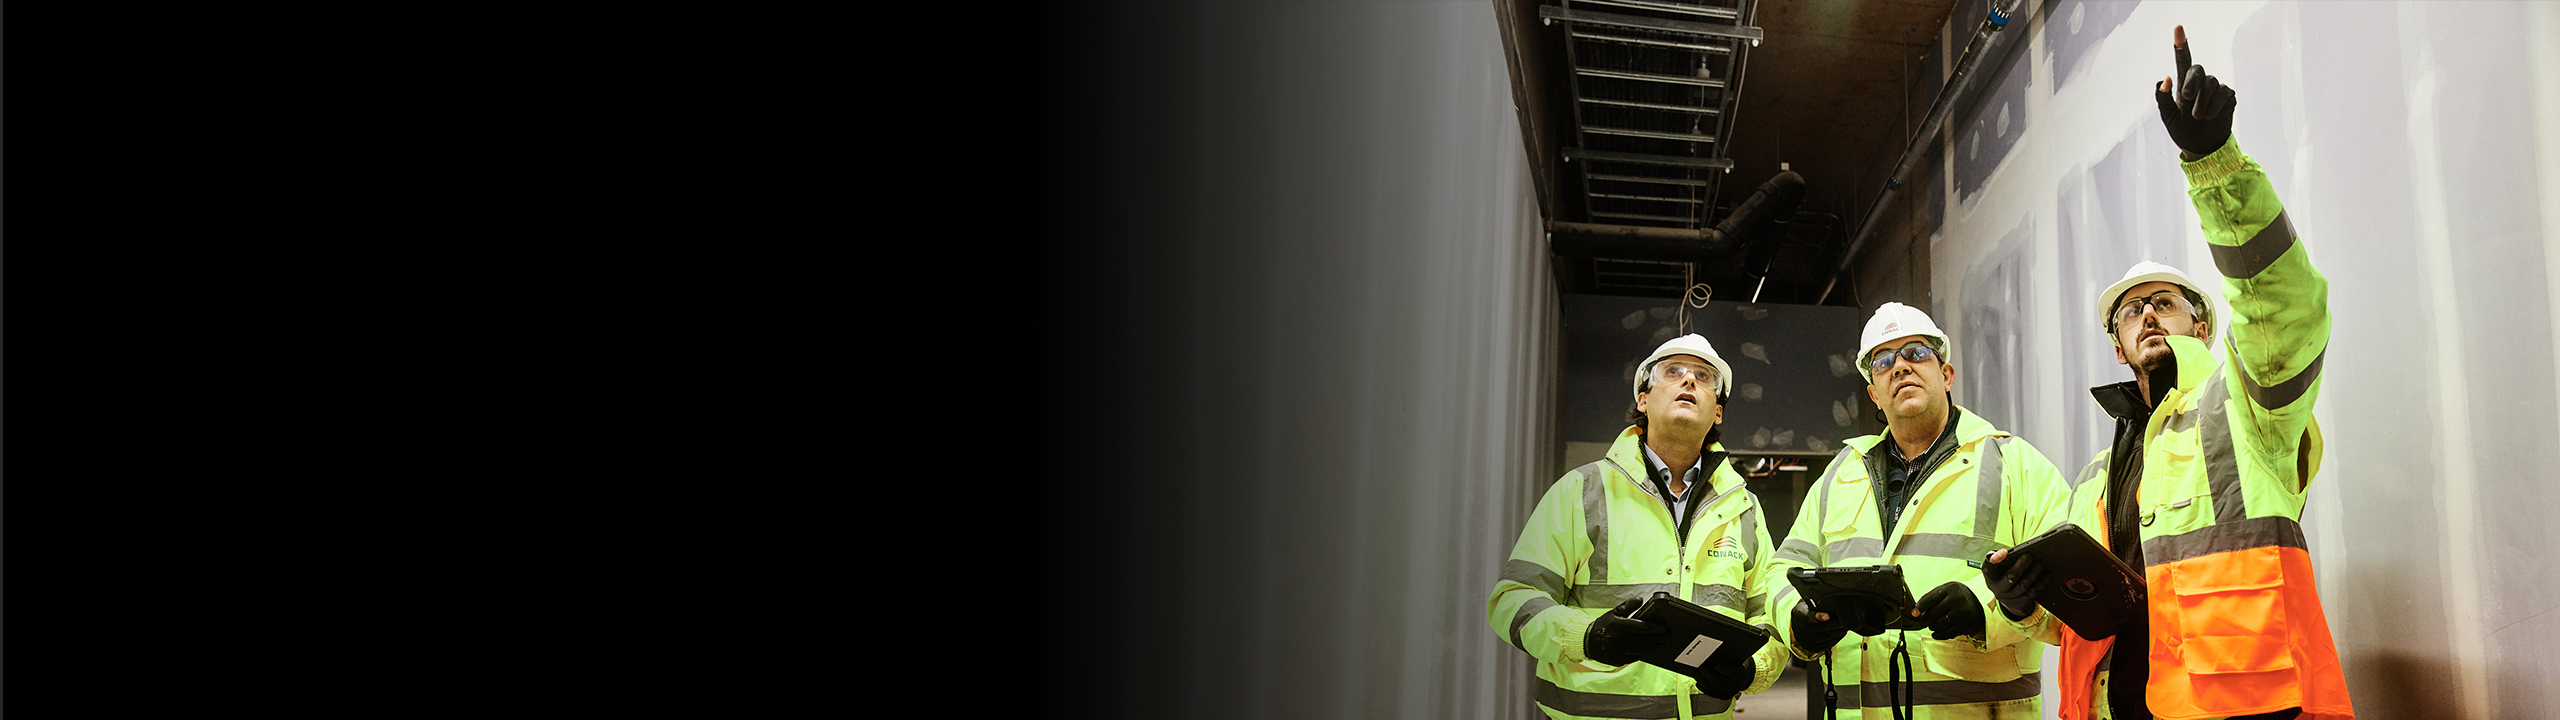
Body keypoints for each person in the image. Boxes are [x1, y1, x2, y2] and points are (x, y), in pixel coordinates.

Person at [2018, 25, 2352, 720]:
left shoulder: (2245, 407)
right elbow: (2077, 622)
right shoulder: (2093, 479)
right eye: (2130, 313)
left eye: (2163, 304)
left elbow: (2287, 310)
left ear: (2200, 325)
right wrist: (2026, 603)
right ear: (2118, 347)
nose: (2146, 316)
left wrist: (2215, 163)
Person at [1763, 302, 2074, 719]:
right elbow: (1784, 567)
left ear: (1945, 375)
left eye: (1916, 352)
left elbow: (2071, 582)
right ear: (1874, 392)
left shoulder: (2016, 465)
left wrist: (1989, 608)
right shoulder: (1838, 476)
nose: (1900, 367)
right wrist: (1795, 617)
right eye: (1884, 361)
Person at [1488, 334, 1785, 720]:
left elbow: (1773, 619)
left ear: (1718, 413)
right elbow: (1513, 601)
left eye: (1704, 376)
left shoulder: (1744, 509)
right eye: (1672, 372)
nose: (1689, 381)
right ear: (1643, 400)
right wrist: (1588, 636)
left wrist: (1751, 668)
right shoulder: (1582, 492)